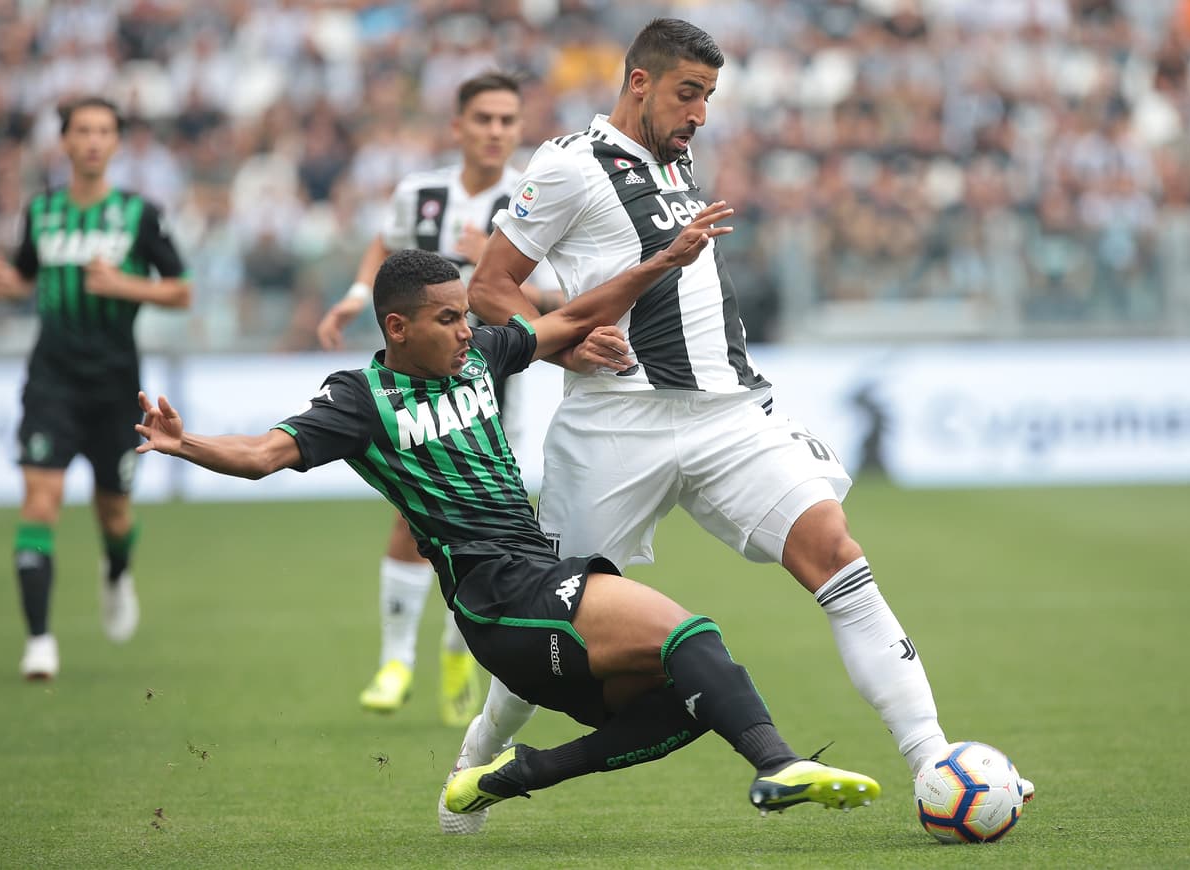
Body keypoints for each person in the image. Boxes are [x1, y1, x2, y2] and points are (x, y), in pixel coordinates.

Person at [450, 16, 1034, 833]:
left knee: (837, 555)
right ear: (640, 82)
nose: (700, 113)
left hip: (730, 413)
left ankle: (931, 759)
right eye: (689, 94)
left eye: (710, 97)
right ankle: (476, 761)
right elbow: (488, 289)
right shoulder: (568, 166)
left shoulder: (677, 156)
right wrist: (566, 350)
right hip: (615, 426)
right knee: (560, 616)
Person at [133, 241, 883, 821]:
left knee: (689, 700)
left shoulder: (482, 357)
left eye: (467, 314)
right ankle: (779, 766)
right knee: (692, 636)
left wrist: (660, 264)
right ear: (397, 327)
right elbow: (265, 455)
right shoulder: (361, 400)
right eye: (448, 318)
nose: (468, 330)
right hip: (495, 596)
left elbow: (567, 319)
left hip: (535, 584)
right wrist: (186, 442)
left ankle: (516, 774)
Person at [315, 72, 561, 725]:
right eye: (483, 118)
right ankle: (396, 659)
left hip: (488, 392)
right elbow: (383, 246)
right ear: (458, 126)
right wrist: (353, 293)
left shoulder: (532, 203)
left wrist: (492, 272)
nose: (496, 131)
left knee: (479, 525)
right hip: (411, 390)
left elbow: (550, 310)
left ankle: (457, 652)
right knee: (409, 515)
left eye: (508, 120)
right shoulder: (419, 195)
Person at [0, 95, 191, 680]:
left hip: (115, 387)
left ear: (116, 143)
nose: (94, 140)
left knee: (115, 517)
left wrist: (125, 284)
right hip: (50, 381)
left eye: (104, 130)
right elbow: (27, 274)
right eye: (83, 131)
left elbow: (182, 289)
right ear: (66, 143)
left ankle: (118, 572)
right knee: (39, 501)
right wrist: (10, 284)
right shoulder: (42, 211)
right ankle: (40, 641)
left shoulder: (140, 214)